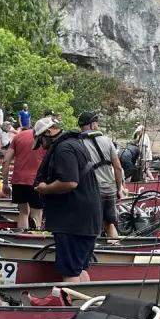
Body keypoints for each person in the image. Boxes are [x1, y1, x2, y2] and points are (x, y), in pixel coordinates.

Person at [34, 115, 102, 283]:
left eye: (41, 141)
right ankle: (86, 307)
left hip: (73, 220)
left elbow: (70, 182)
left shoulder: (63, 148)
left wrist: (45, 189)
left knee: (70, 271)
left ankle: (70, 309)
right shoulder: (75, 144)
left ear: (48, 133)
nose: (42, 147)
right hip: (87, 218)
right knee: (79, 268)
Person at [78, 111, 123, 241]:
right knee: (109, 223)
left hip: (91, 190)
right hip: (109, 189)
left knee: (92, 225)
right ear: (92, 125)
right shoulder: (107, 141)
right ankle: (115, 250)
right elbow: (118, 168)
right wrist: (119, 188)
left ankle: (93, 255)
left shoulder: (78, 144)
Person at [2, 127, 45, 230]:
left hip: (18, 179)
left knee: (23, 213)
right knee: (37, 214)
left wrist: (5, 184)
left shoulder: (19, 136)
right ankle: (35, 240)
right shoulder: (45, 137)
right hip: (36, 181)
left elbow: (6, 161)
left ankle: (22, 236)